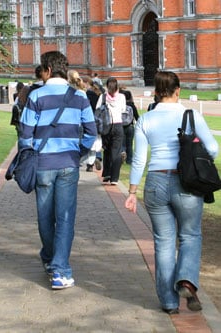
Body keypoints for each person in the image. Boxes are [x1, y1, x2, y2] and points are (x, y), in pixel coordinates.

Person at [125, 71, 219, 314]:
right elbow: (213, 148)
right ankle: (186, 280)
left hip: (155, 181)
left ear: (156, 92)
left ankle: (168, 302)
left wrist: (132, 191)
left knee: (163, 242)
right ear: (178, 90)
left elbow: (139, 159)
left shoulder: (145, 119)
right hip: (185, 183)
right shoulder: (191, 116)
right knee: (190, 235)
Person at [18, 51, 97, 289]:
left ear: (48, 70)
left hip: (43, 164)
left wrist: (31, 154)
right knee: (64, 218)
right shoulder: (80, 97)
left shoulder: (36, 95)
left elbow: (25, 134)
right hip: (68, 164)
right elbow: (92, 132)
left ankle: (53, 260)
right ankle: (59, 268)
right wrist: (78, 153)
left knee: (45, 217)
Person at [96, 77, 126, 185]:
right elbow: (123, 109)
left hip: (106, 125)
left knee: (107, 150)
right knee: (116, 152)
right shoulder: (122, 97)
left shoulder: (103, 97)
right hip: (118, 125)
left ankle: (107, 173)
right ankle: (114, 178)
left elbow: (97, 109)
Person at [119, 88, 139, 164]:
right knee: (130, 144)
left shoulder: (121, 105)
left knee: (122, 143)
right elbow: (137, 117)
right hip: (130, 126)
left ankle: (122, 153)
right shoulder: (132, 106)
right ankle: (129, 160)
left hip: (121, 126)